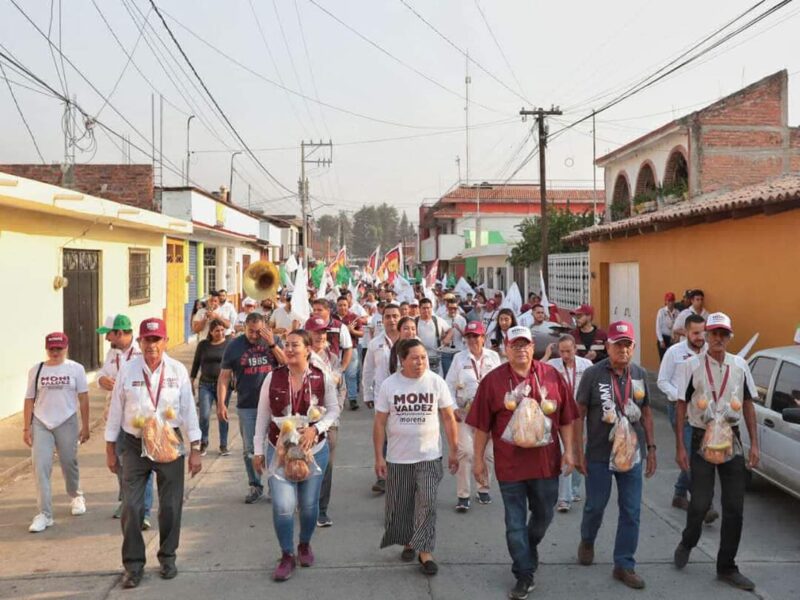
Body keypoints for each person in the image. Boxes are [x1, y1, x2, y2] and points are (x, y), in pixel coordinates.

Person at [467, 326, 577, 600]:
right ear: (506, 349)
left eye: (525, 344)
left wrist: (569, 451)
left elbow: (565, 418)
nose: (521, 350)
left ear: (533, 347)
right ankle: (523, 575)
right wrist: (478, 461)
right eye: (515, 345)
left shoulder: (551, 376)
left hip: (545, 464)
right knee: (514, 523)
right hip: (510, 466)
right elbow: (481, 425)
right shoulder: (493, 381)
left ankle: (529, 546)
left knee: (544, 515)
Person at [104, 318, 202, 589]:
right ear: (140, 342)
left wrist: (195, 448)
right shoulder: (128, 370)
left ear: (165, 341)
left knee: (170, 505)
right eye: (147, 340)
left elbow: (189, 411)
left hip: (168, 441)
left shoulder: (178, 371)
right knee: (132, 507)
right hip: (134, 445)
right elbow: (115, 410)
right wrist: (110, 448)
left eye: (157, 339)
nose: (152, 345)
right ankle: (133, 565)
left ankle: (168, 556)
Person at [673, 312, 760, 591]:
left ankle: (727, 566)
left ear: (729, 337)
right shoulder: (691, 366)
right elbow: (680, 405)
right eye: (713, 334)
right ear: (706, 337)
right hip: (701, 438)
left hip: (731, 440)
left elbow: (748, 405)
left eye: (723, 334)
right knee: (700, 503)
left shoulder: (740, 365)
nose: (718, 339)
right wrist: (679, 447)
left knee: (734, 507)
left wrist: (753, 445)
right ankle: (689, 539)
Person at [253, 330, 341, 582]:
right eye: (286, 345)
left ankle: (304, 544)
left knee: (309, 506)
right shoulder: (273, 377)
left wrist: (317, 428)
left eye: (295, 345)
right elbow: (262, 416)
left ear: (307, 349)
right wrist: (258, 450)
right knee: (283, 506)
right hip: (279, 450)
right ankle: (286, 555)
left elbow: (334, 410)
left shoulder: (320, 376)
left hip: (313, 451)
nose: (289, 349)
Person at [575, 321, 656, 590]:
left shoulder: (640, 373)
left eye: (627, 344)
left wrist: (652, 449)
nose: (622, 349)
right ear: (607, 345)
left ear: (633, 347)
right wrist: (577, 450)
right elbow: (580, 413)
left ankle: (624, 564)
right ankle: (587, 539)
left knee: (631, 510)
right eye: (617, 344)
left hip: (631, 455)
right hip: (599, 453)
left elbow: (645, 413)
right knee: (595, 506)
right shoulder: (593, 374)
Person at [374, 338, 459, 576]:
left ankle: (425, 551)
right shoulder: (390, 385)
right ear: (402, 360)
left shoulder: (436, 382)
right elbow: (379, 422)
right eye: (414, 358)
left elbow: (449, 418)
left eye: (423, 357)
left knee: (427, 501)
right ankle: (409, 540)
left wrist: (454, 449)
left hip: (430, 455)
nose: (420, 362)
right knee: (402, 504)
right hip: (398, 457)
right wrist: (378, 458)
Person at [24, 332, 90, 533]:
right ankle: (45, 514)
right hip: (41, 422)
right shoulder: (37, 370)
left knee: (69, 461)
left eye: (59, 349)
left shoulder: (76, 369)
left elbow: (84, 398)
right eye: (51, 349)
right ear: (46, 349)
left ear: (66, 348)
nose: (55, 353)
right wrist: (26, 427)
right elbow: (29, 399)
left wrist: (85, 426)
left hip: (66, 420)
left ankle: (75, 494)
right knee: (40, 466)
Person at [218, 312, 285, 504]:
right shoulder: (234, 346)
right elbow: (224, 377)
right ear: (244, 328)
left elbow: (286, 364)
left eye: (258, 332)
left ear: (265, 328)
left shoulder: (274, 340)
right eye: (251, 331)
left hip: (274, 405)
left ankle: (276, 485)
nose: (255, 336)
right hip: (247, 405)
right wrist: (221, 403)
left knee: (276, 445)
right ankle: (255, 485)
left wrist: (272, 343)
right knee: (249, 449)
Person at [96, 314, 153, 527]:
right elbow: (101, 374)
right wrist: (103, 380)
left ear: (120, 333)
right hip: (115, 416)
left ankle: (144, 512)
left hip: (139, 419)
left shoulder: (142, 353)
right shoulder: (113, 353)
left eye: (108, 334)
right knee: (120, 464)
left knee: (143, 464)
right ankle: (127, 500)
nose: (106, 338)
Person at [657, 314, 712, 514]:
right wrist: (681, 397)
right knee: (690, 455)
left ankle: (680, 494)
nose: (700, 337)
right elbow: (662, 381)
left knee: (702, 454)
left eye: (703, 332)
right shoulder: (674, 353)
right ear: (686, 332)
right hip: (681, 411)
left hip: (704, 411)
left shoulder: (709, 351)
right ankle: (705, 504)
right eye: (696, 333)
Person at [445, 321, 501, 512]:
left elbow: (500, 387)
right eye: (469, 337)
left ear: (483, 337)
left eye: (476, 336)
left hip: (488, 414)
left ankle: (483, 487)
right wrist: (453, 409)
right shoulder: (459, 359)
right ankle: (463, 495)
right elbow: (449, 386)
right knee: (466, 452)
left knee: (488, 454)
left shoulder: (493, 357)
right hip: (465, 413)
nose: (472, 340)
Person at [306, 316, 346, 528]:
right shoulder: (302, 356)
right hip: (304, 421)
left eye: (324, 332)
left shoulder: (333, 358)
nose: (321, 336)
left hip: (329, 421)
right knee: (303, 460)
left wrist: (335, 412)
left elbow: (341, 386)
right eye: (316, 332)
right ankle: (304, 502)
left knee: (326, 465)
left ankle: (322, 509)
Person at [547, 334, 593, 513]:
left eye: (568, 350)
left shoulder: (586, 366)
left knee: (579, 450)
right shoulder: (552, 366)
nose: (565, 355)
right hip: (561, 416)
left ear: (575, 348)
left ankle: (574, 489)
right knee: (565, 452)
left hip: (582, 416)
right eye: (562, 351)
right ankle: (563, 498)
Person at [362, 304, 402, 493]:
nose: (392, 320)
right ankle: (383, 476)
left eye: (395, 316)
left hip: (405, 397)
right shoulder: (375, 343)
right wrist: (367, 393)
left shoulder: (410, 341)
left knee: (401, 435)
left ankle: (402, 473)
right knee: (383, 436)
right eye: (388, 316)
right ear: (382, 319)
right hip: (382, 397)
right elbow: (368, 369)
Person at [190, 319, 231, 456]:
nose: (220, 333)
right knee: (204, 415)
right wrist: (191, 381)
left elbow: (234, 363)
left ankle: (223, 445)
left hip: (223, 386)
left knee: (222, 414)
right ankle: (204, 442)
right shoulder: (203, 345)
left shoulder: (229, 345)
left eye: (222, 330)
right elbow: (196, 363)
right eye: (217, 331)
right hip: (205, 385)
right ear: (211, 332)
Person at [335, 296, 362, 410]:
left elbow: (361, 333)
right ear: (336, 306)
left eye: (344, 305)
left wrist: (352, 331)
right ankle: (337, 399)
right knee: (336, 375)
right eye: (340, 305)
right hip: (336, 350)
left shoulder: (354, 318)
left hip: (351, 349)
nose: (342, 307)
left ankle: (352, 399)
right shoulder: (332, 318)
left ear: (348, 305)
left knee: (351, 375)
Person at [416, 298, 452, 376]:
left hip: (436, 357)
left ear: (431, 308)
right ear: (419, 309)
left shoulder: (437, 320)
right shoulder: (415, 321)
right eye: (424, 308)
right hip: (421, 358)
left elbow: (450, 330)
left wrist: (447, 338)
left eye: (428, 308)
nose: (426, 310)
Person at [440, 298, 467, 377]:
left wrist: (458, 329)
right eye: (450, 308)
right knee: (447, 375)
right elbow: (439, 336)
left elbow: (466, 336)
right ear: (447, 308)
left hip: (458, 350)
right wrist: (445, 336)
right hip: (446, 351)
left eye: (455, 308)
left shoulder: (462, 319)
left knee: (459, 375)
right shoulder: (442, 318)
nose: (452, 310)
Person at [656, 292, 680, 360]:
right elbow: (658, 327)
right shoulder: (661, 312)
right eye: (669, 301)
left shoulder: (677, 312)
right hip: (664, 338)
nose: (671, 303)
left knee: (673, 359)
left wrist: (676, 338)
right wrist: (661, 340)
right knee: (663, 359)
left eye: (672, 300)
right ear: (666, 301)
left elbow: (679, 326)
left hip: (673, 339)